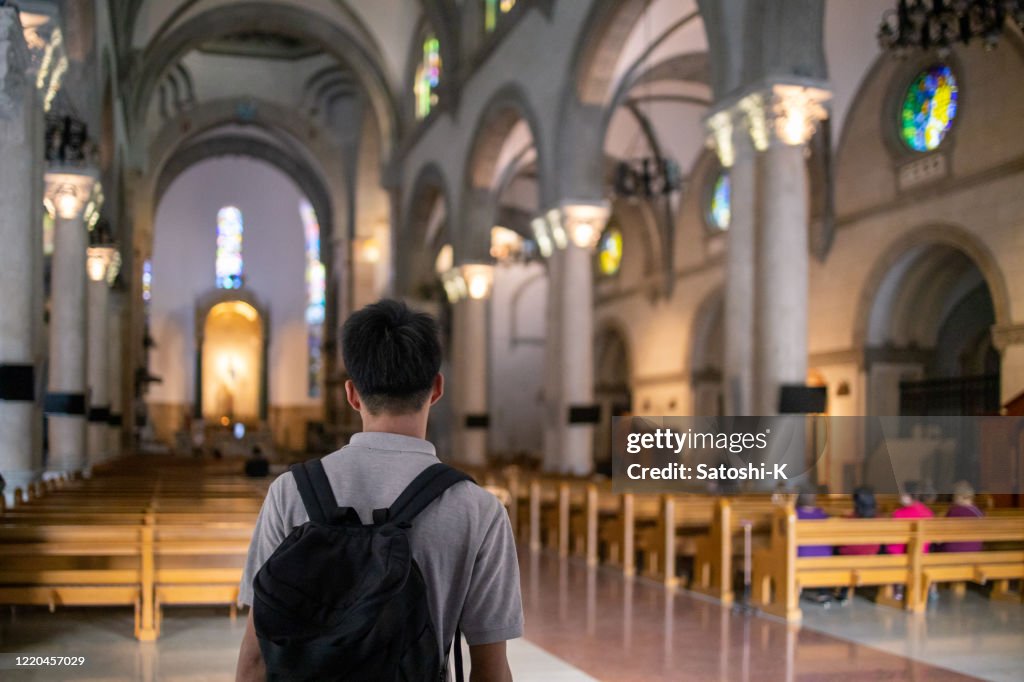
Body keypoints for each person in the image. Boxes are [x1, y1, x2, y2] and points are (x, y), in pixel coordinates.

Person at [236, 300, 521, 681]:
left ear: (352, 394)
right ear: (437, 388)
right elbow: (490, 671)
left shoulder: (290, 492)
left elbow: (255, 659)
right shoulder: (478, 509)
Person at [835, 486, 880, 604]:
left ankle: (843, 589)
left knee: (836, 550)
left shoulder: (850, 519)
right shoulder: (878, 519)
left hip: (850, 555)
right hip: (872, 553)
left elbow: (841, 540)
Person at [795, 491, 833, 604]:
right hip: (824, 554)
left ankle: (795, 588)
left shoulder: (795, 513)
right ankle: (823, 592)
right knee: (821, 551)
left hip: (802, 554)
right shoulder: (821, 513)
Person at [942, 480, 984, 552]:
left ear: (959, 496)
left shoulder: (955, 511)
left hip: (955, 550)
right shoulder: (979, 512)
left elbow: (944, 530)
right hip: (975, 549)